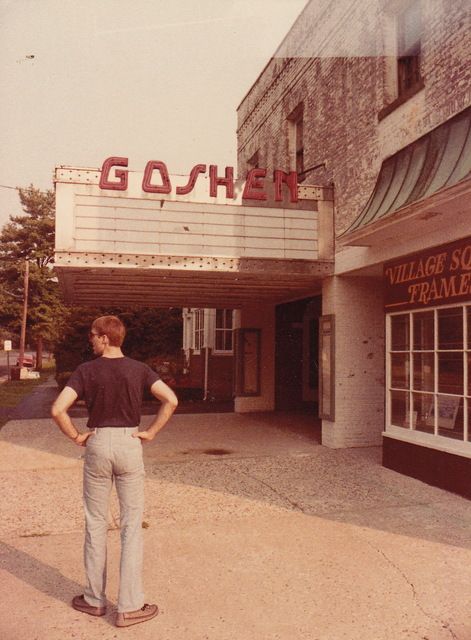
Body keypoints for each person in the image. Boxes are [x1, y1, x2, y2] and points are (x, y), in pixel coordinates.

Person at [51, 315, 178, 628]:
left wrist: (76, 436)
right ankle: (130, 606)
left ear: (105, 338)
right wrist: (151, 433)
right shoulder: (140, 369)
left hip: (97, 442)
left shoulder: (85, 370)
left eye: (93, 335)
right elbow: (171, 400)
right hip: (129, 443)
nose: (90, 340)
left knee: (95, 523)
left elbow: (57, 409)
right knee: (131, 526)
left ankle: (94, 601)